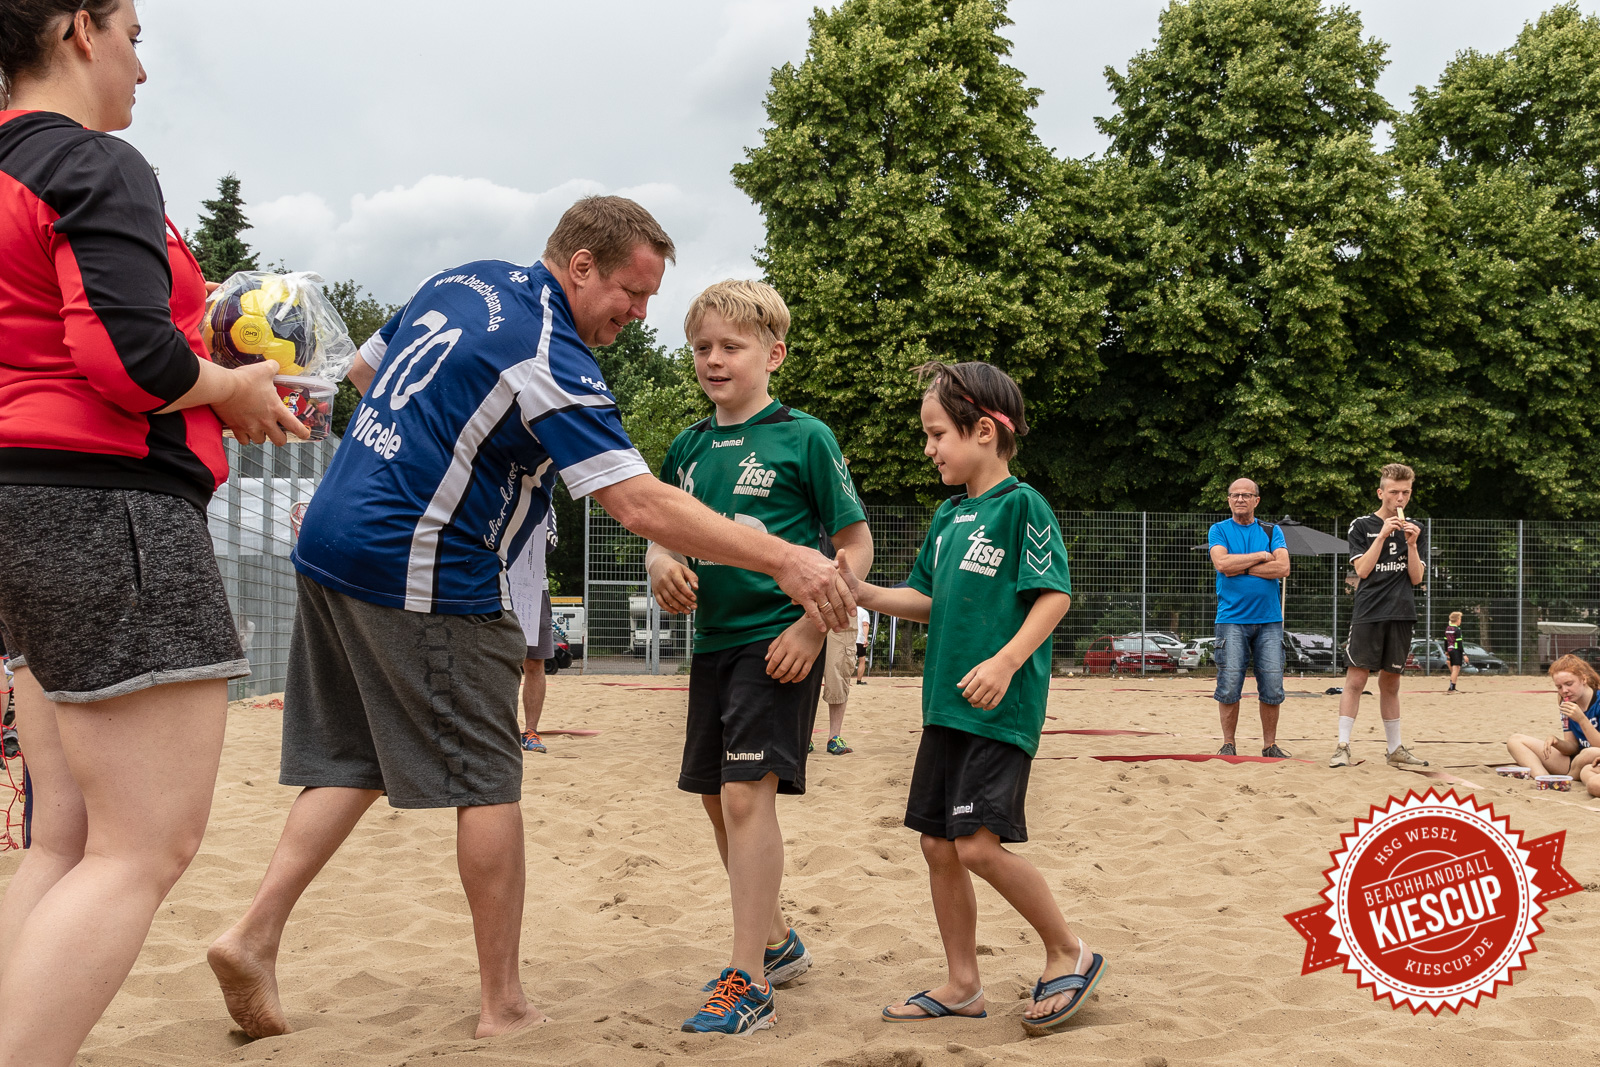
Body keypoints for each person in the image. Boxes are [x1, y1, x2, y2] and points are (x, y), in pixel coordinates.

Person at [207, 201, 855, 1042]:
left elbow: (367, 377)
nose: (640, 314)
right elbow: (634, 499)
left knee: (352, 755)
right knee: (488, 779)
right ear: (581, 266)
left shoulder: (460, 279)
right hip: (428, 562)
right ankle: (503, 1004)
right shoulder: (553, 351)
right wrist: (785, 559)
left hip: (332, 535)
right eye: (632, 290)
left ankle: (253, 933)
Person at [0, 4, 306, 1063]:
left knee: (64, 838)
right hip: (105, 507)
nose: (142, 62)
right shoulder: (95, 163)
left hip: (21, 505)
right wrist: (234, 387)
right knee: (142, 847)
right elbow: (128, 362)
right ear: (80, 28)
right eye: (134, 31)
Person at [840, 361, 1104, 1035]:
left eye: (936, 434)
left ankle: (1068, 949)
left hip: (999, 709)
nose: (929, 448)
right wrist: (859, 592)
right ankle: (963, 983)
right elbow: (925, 599)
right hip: (945, 710)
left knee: (978, 846)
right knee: (937, 844)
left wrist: (1007, 659)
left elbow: (1054, 594)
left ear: (983, 430)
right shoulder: (950, 515)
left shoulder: (1022, 507)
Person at [647, 279, 873, 1035]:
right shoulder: (686, 445)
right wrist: (658, 560)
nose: (713, 359)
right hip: (712, 641)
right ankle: (776, 941)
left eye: (730, 346)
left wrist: (815, 627)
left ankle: (747, 979)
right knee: (717, 798)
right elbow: (663, 528)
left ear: (772, 354)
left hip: (778, 641)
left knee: (746, 796)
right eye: (702, 347)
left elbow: (855, 546)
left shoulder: (804, 435)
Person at [1329, 463, 1429, 770]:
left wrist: (1412, 544)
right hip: (1369, 611)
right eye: (1394, 492)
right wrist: (1383, 536)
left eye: (1405, 492)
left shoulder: (1415, 527)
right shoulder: (1361, 525)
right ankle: (1343, 745)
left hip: (1401, 612)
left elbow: (1416, 578)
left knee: (1392, 682)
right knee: (1356, 679)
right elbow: (1362, 570)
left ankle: (1394, 748)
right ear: (1381, 492)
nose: (1400, 498)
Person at [1206, 478, 1292, 758]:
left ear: (1257, 500)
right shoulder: (1218, 529)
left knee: (1272, 684)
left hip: (1269, 620)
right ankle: (1228, 743)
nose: (1240, 499)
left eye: (1246, 495)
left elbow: (1283, 568)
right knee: (1229, 684)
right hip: (1230, 619)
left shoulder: (1271, 530)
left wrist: (1239, 566)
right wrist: (1259, 557)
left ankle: (1269, 745)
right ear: (1228, 500)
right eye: (1234, 495)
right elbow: (1221, 563)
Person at [506, 512, 556, 752]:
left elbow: (550, 543)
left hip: (533, 587)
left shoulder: (543, 498)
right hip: (493, 586)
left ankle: (531, 731)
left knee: (534, 663)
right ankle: (501, 730)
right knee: (496, 662)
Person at [1505, 655, 1600, 776]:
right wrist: (1557, 743)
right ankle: (1544, 779)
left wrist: (1582, 720)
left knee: (1590, 753)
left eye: (1569, 684)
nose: (1564, 690)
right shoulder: (1566, 702)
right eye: (1559, 687)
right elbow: (1572, 747)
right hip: (1574, 761)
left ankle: (1570, 776)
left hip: (1594, 760)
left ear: (1584, 679)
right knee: (1515, 741)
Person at [1443, 610, 1468, 693]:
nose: (1460, 620)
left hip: (1450, 650)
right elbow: (1460, 643)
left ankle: (1452, 687)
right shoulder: (1457, 630)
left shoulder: (1448, 628)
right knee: (1456, 669)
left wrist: (1446, 651)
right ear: (1457, 619)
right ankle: (1452, 688)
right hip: (1456, 650)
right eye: (1460, 619)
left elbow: (1446, 641)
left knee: (1454, 669)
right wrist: (1464, 654)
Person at [855, 604, 871, 684]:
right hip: (859, 639)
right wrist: (865, 638)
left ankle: (844, 679)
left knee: (846, 660)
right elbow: (865, 624)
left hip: (849, 638)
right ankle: (859, 680)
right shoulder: (864, 612)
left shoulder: (848, 611)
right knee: (862, 660)